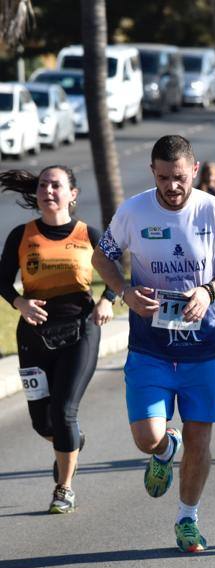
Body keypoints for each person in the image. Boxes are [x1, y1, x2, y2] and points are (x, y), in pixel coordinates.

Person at [92, 135, 215, 552]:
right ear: (153, 172)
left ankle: (187, 518)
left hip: (205, 348)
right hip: (151, 347)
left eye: (179, 178)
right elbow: (101, 256)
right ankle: (165, 450)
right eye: (163, 178)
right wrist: (124, 291)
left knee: (201, 439)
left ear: (195, 171)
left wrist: (210, 290)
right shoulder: (133, 211)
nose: (172, 186)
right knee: (146, 437)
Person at [0, 165, 114, 513]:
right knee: (42, 421)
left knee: (64, 411)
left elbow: (117, 274)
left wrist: (107, 299)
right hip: (34, 335)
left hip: (80, 329)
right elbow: (3, 281)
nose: (49, 191)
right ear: (37, 193)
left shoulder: (88, 233)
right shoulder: (22, 235)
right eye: (44, 185)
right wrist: (20, 303)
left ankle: (63, 488)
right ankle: (73, 443)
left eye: (56, 185)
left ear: (72, 194)